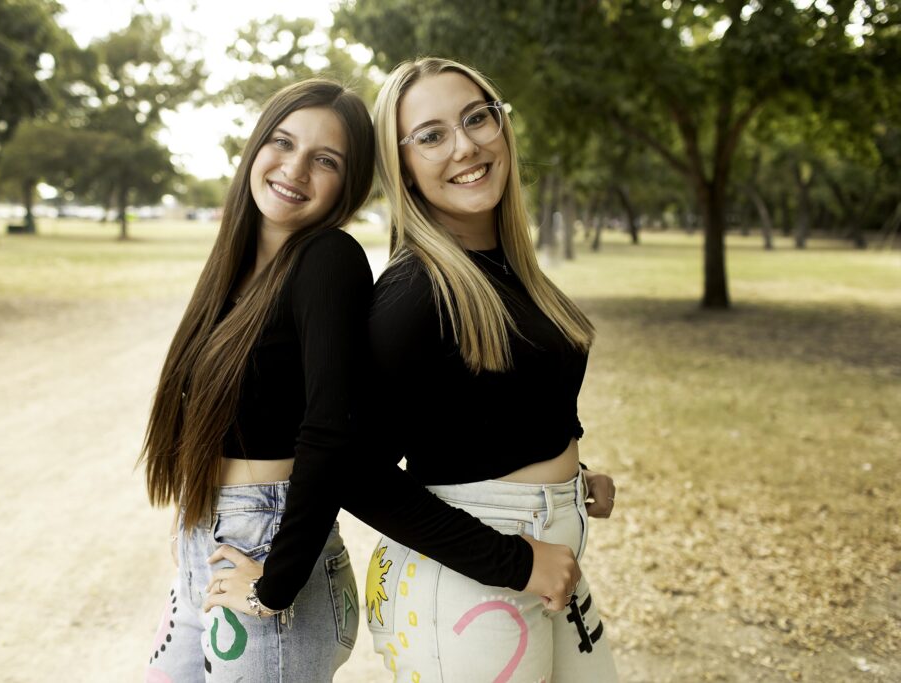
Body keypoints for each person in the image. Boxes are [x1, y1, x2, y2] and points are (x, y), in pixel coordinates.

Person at [357, 57, 621, 682]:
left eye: (478, 118)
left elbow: (481, 406)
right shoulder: (413, 290)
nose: (466, 145)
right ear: (405, 168)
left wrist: (568, 474)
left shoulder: (504, 266)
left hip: (542, 551)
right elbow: (353, 470)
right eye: (431, 134)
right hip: (474, 578)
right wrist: (512, 560)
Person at [138, 79, 375, 683]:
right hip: (211, 540)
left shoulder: (329, 258)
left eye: (325, 160)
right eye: (283, 142)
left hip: (270, 548)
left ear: (348, 184)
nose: (295, 168)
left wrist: (277, 583)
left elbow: (332, 427)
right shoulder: (235, 270)